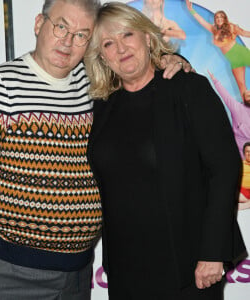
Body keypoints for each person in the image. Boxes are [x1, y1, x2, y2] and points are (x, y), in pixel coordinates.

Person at [0, 0, 191, 299]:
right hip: (15, 273)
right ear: (39, 24)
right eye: (61, 26)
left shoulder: (93, 84)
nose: (68, 41)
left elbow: (138, 70)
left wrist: (172, 60)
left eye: (82, 35)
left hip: (79, 273)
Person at [84, 2, 246, 299]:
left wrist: (213, 252)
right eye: (108, 43)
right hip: (126, 268)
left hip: (189, 267)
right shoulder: (103, 106)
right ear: (103, 57)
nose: (120, 48)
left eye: (127, 35)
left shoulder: (188, 89)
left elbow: (224, 170)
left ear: (147, 38)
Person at [185, 0, 250, 103]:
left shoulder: (231, 27)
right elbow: (202, 22)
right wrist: (191, 10)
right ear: (215, 20)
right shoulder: (214, 30)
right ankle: (247, 110)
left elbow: (245, 33)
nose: (219, 19)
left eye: (221, 17)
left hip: (241, 52)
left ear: (224, 19)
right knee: (242, 86)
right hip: (234, 60)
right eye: (217, 17)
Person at [207, 70, 250, 157]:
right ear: (244, 99)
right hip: (241, 155)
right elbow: (226, 96)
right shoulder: (237, 107)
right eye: (248, 95)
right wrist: (215, 81)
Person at [239, 142, 250, 210]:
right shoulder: (241, 165)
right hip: (242, 191)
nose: (249, 154)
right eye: (247, 151)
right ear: (244, 153)